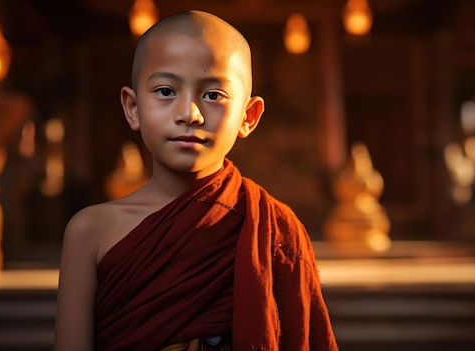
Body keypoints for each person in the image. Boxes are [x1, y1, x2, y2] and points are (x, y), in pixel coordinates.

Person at [54, 9, 339, 351]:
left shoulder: (275, 228)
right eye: (164, 91)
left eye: (213, 95)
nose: (189, 113)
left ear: (248, 116)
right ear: (132, 108)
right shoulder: (90, 232)